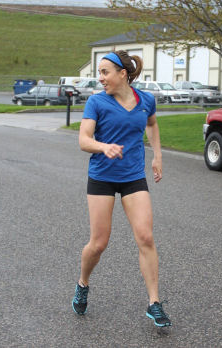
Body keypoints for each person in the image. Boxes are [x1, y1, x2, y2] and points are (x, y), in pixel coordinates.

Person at [71, 50, 171, 327]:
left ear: (122, 74)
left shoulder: (145, 101)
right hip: (102, 175)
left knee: (146, 237)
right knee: (99, 243)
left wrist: (158, 155)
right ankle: (83, 283)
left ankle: (154, 302)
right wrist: (104, 147)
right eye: (99, 73)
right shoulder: (96, 102)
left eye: (105, 72)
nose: (100, 78)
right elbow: (83, 139)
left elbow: (151, 124)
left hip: (133, 176)